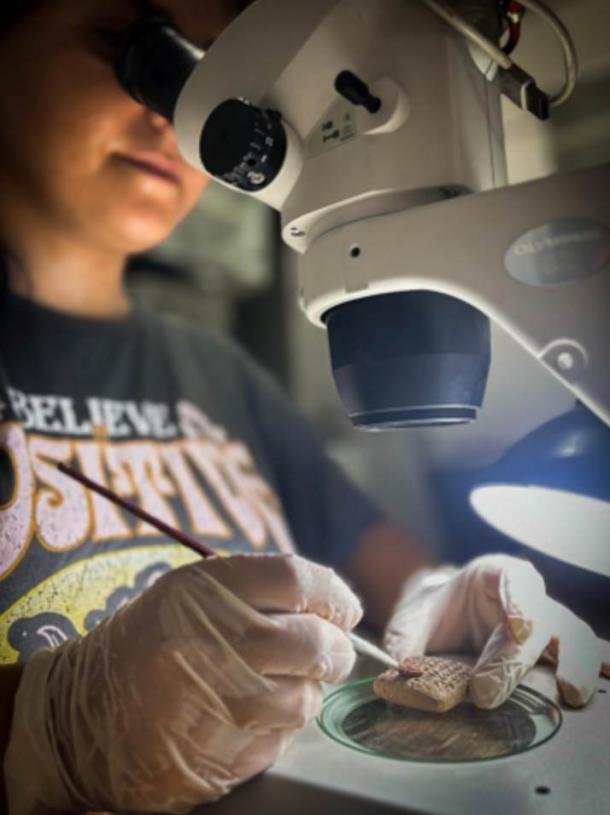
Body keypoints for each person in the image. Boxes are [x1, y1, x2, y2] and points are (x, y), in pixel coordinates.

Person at [0, 1, 607, 813]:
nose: (170, 113)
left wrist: (448, 603)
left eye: (208, 77)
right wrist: (53, 728)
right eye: (137, 53)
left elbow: (395, 586)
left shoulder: (220, 375)